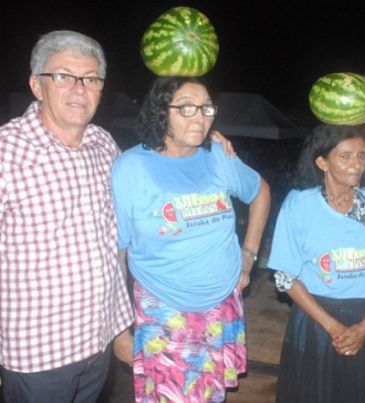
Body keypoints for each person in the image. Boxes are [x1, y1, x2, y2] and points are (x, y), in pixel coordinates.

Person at [111, 76, 271, 402]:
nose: (199, 117)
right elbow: (117, 255)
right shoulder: (131, 168)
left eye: (206, 108)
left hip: (220, 303)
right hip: (164, 307)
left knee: (211, 395)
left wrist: (249, 254)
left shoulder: (218, 156)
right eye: (186, 108)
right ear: (161, 111)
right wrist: (119, 328)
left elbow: (260, 192)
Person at [0, 30, 134, 402]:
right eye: (62, 76)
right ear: (36, 85)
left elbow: (114, 242)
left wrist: (202, 143)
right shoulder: (7, 152)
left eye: (91, 79)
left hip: (96, 342)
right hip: (37, 354)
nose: (79, 89)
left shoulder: (103, 145)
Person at [268, 124, 365, 403]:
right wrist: (334, 328)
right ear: (322, 162)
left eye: (361, 156)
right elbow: (286, 276)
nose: (356, 164)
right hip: (316, 320)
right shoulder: (300, 204)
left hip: (362, 317)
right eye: (345, 156)